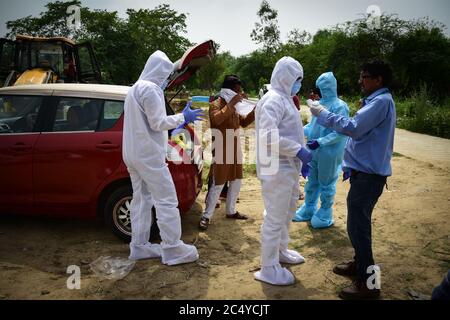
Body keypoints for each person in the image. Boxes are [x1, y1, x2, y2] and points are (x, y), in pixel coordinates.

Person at [305, 60, 396, 299]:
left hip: (369, 176)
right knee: (357, 226)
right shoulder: (375, 101)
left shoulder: (381, 102)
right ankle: (359, 264)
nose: (360, 80)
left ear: (378, 80)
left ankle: (370, 284)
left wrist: (324, 114)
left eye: (365, 76)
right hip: (362, 174)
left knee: (359, 227)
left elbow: (353, 127)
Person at [122, 50, 204, 265]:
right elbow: (157, 123)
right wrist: (182, 117)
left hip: (132, 155)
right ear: (160, 71)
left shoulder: (135, 89)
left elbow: (149, 122)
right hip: (148, 156)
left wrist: (177, 121)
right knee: (166, 199)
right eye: (167, 75)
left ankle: (138, 245)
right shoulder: (151, 89)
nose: (168, 80)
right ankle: (172, 247)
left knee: (141, 200)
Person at [254, 57, 312, 286]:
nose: (299, 84)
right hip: (275, 168)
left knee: (287, 211)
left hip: (287, 166)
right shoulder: (272, 100)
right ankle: (268, 267)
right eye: (297, 79)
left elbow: (290, 130)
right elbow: (267, 136)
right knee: (275, 217)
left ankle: (280, 250)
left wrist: (304, 147)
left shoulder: (286, 99)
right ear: (287, 77)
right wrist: (299, 150)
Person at [293, 72, 349, 228]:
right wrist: (297, 130)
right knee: (312, 181)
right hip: (315, 151)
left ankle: (325, 212)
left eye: (322, 87)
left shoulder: (340, 106)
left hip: (330, 152)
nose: (319, 90)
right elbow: (312, 126)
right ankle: (309, 208)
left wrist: (321, 141)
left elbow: (341, 132)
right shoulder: (319, 104)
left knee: (327, 183)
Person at [199, 75, 255, 231]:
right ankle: (206, 216)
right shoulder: (215, 104)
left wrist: (255, 110)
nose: (240, 93)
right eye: (237, 90)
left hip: (235, 149)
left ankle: (231, 211)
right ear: (229, 90)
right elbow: (217, 120)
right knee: (218, 183)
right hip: (222, 150)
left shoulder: (235, 106)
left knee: (236, 181)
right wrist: (231, 104)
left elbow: (243, 122)